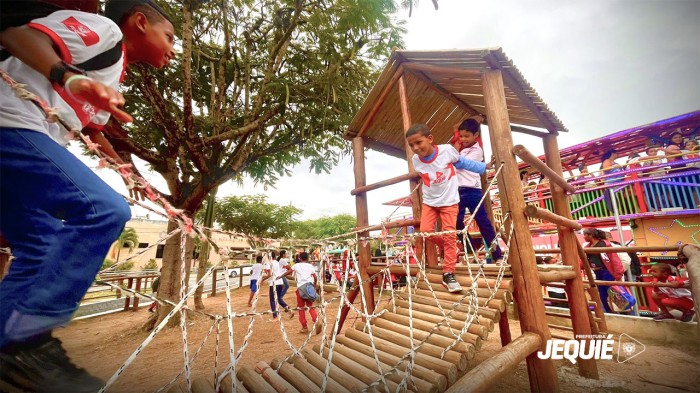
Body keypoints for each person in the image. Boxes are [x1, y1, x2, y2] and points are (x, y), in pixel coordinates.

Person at [0, 1, 175, 391]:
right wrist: (68, 77)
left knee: (39, 248)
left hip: (23, 140)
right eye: (169, 36)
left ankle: (8, 350)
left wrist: (128, 173)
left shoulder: (114, 73)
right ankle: (30, 339)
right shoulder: (104, 30)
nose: (172, 48)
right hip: (9, 122)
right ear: (140, 22)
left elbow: (92, 131)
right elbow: (14, 35)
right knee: (103, 208)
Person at [406, 123, 486, 292]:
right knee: (427, 231)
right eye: (411, 145)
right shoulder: (415, 160)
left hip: (449, 201)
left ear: (430, 139)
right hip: (430, 202)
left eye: (418, 142)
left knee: (449, 234)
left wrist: (484, 167)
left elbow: (463, 162)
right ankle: (452, 246)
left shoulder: (446, 151)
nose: (415, 147)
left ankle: (448, 273)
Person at [452, 119, 502, 263]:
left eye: (466, 136)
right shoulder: (462, 149)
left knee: (483, 222)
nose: (463, 139)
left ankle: (497, 254)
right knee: (455, 222)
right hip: (457, 190)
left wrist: (454, 151)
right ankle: (470, 250)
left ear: (475, 135)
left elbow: (459, 164)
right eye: (461, 136)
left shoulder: (477, 151)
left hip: (472, 190)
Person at [582, 228, 625, 313]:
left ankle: (622, 311)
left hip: (606, 271)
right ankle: (609, 311)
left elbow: (614, 259)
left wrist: (618, 275)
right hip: (597, 272)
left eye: (585, 235)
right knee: (603, 294)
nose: (584, 237)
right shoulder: (588, 247)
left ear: (591, 235)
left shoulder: (604, 244)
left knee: (613, 292)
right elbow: (584, 260)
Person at [283, 252, 322, 334]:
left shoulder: (297, 265)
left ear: (300, 258)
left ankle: (304, 327)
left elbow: (289, 272)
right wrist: (314, 286)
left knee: (301, 308)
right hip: (309, 288)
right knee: (310, 306)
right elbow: (315, 277)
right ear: (307, 258)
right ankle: (316, 320)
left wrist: (280, 276)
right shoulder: (310, 266)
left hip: (300, 288)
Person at [260, 253, 293, 321]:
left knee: (272, 300)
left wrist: (262, 279)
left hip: (274, 283)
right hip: (280, 282)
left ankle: (275, 317)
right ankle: (289, 309)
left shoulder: (269, 263)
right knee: (278, 298)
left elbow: (270, 274)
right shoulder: (277, 262)